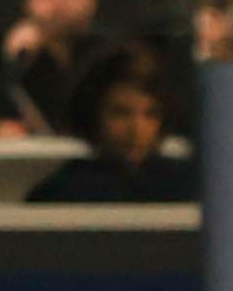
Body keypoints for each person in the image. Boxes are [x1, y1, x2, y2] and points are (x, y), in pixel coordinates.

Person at [26, 47, 199, 203]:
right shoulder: (62, 192)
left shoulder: (187, 187)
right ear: (94, 115)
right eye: (121, 113)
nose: (137, 129)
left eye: (150, 114)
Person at [0, 0, 114, 140]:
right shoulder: (20, 54)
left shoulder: (113, 54)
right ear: (28, 3)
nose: (57, 4)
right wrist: (23, 62)